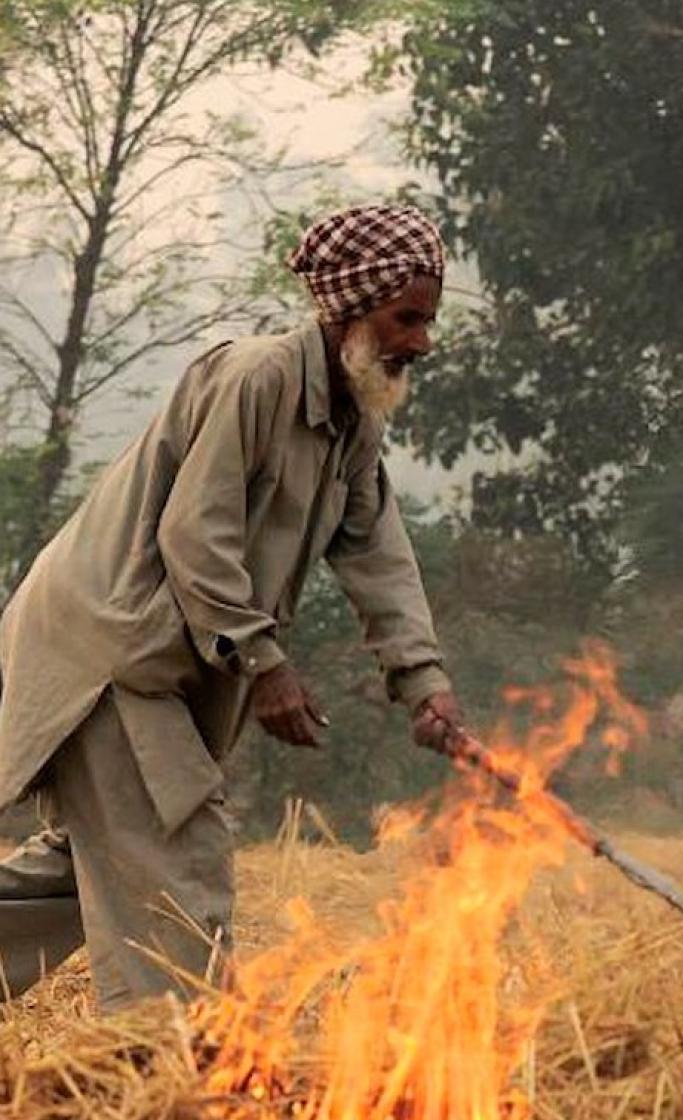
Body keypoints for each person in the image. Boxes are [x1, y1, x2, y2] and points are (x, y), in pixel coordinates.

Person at [0, 204, 475, 1008]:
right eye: (407, 318)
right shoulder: (254, 377)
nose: (421, 342)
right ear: (350, 306)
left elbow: (375, 553)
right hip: (112, 651)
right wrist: (265, 664)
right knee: (178, 850)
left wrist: (424, 682)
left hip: (158, 663)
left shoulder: (354, 419)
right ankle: (166, 1064)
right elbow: (196, 535)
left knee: (97, 864)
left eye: (428, 320)